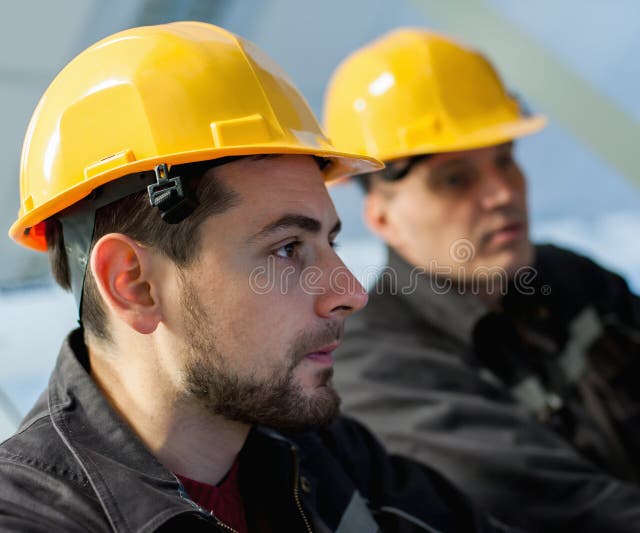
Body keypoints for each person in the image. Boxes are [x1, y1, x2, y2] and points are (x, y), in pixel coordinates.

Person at [0, 22, 510, 532]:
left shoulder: (327, 457)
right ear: (134, 285)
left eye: (328, 242)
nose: (351, 293)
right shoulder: (31, 518)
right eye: (288, 249)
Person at [323, 27, 640, 530]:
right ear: (382, 218)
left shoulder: (566, 282)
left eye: (505, 160)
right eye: (455, 179)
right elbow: (580, 516)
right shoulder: (378, 369)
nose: (502, 192)